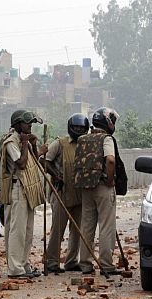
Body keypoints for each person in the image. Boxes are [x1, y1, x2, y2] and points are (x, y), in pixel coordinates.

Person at [73, 107, 121, 276]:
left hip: (86, 187)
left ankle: (85, 263)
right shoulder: (106, 139)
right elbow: (110, 160)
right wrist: (109, 179)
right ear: (108, 123)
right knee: (106, 226)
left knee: (87, 225)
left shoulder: (83, 139)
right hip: (102, 186)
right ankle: (106, 264)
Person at [0, 110, 44, 279]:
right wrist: (25, 144)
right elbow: (22, 163)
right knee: (17, 231)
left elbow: (34, 160)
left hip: (28, 190)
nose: (30, 125)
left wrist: (33, 145)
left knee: (27, 230)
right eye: (27, 123)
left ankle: (24, 264)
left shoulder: (25, 140)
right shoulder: (11, 141)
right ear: (18, 124)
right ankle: (15, 268)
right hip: (17, 189)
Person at [43, 113, 89, 273]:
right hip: (61, 192)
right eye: (76, 127)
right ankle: (52, 262)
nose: (78, 130)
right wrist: (56, 175)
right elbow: (45, 161)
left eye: (81, 128)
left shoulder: (87, 145)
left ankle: (71, 261)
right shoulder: (60, 144)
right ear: (70, 128)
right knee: (58, 229)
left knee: (77, 230)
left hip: (80, 193)